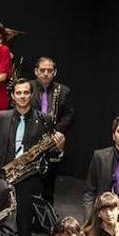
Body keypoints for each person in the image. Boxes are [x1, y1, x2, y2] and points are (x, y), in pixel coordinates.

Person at [0, 78, 64, 236]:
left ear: (32, 95)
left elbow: (51, 152)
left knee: (24, 226)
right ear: (12, 96)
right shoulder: (0, 117)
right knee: (0, 221)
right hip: (3, 177)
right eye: (18, 93)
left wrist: (59, 148)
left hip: (29, 179)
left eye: (26, 92)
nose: (22, 96)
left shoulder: (44, 119)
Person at [30, 57, 75, 201]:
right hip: (30, 141)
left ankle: (46, 219)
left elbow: (69, 115)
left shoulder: (63, 91)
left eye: (49, 71)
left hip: (52, 143)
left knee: (48, 186)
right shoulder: (27, 88)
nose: (45, 74)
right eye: (42, 70)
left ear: (54, 72)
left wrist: (55, 131)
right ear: (36, 71)